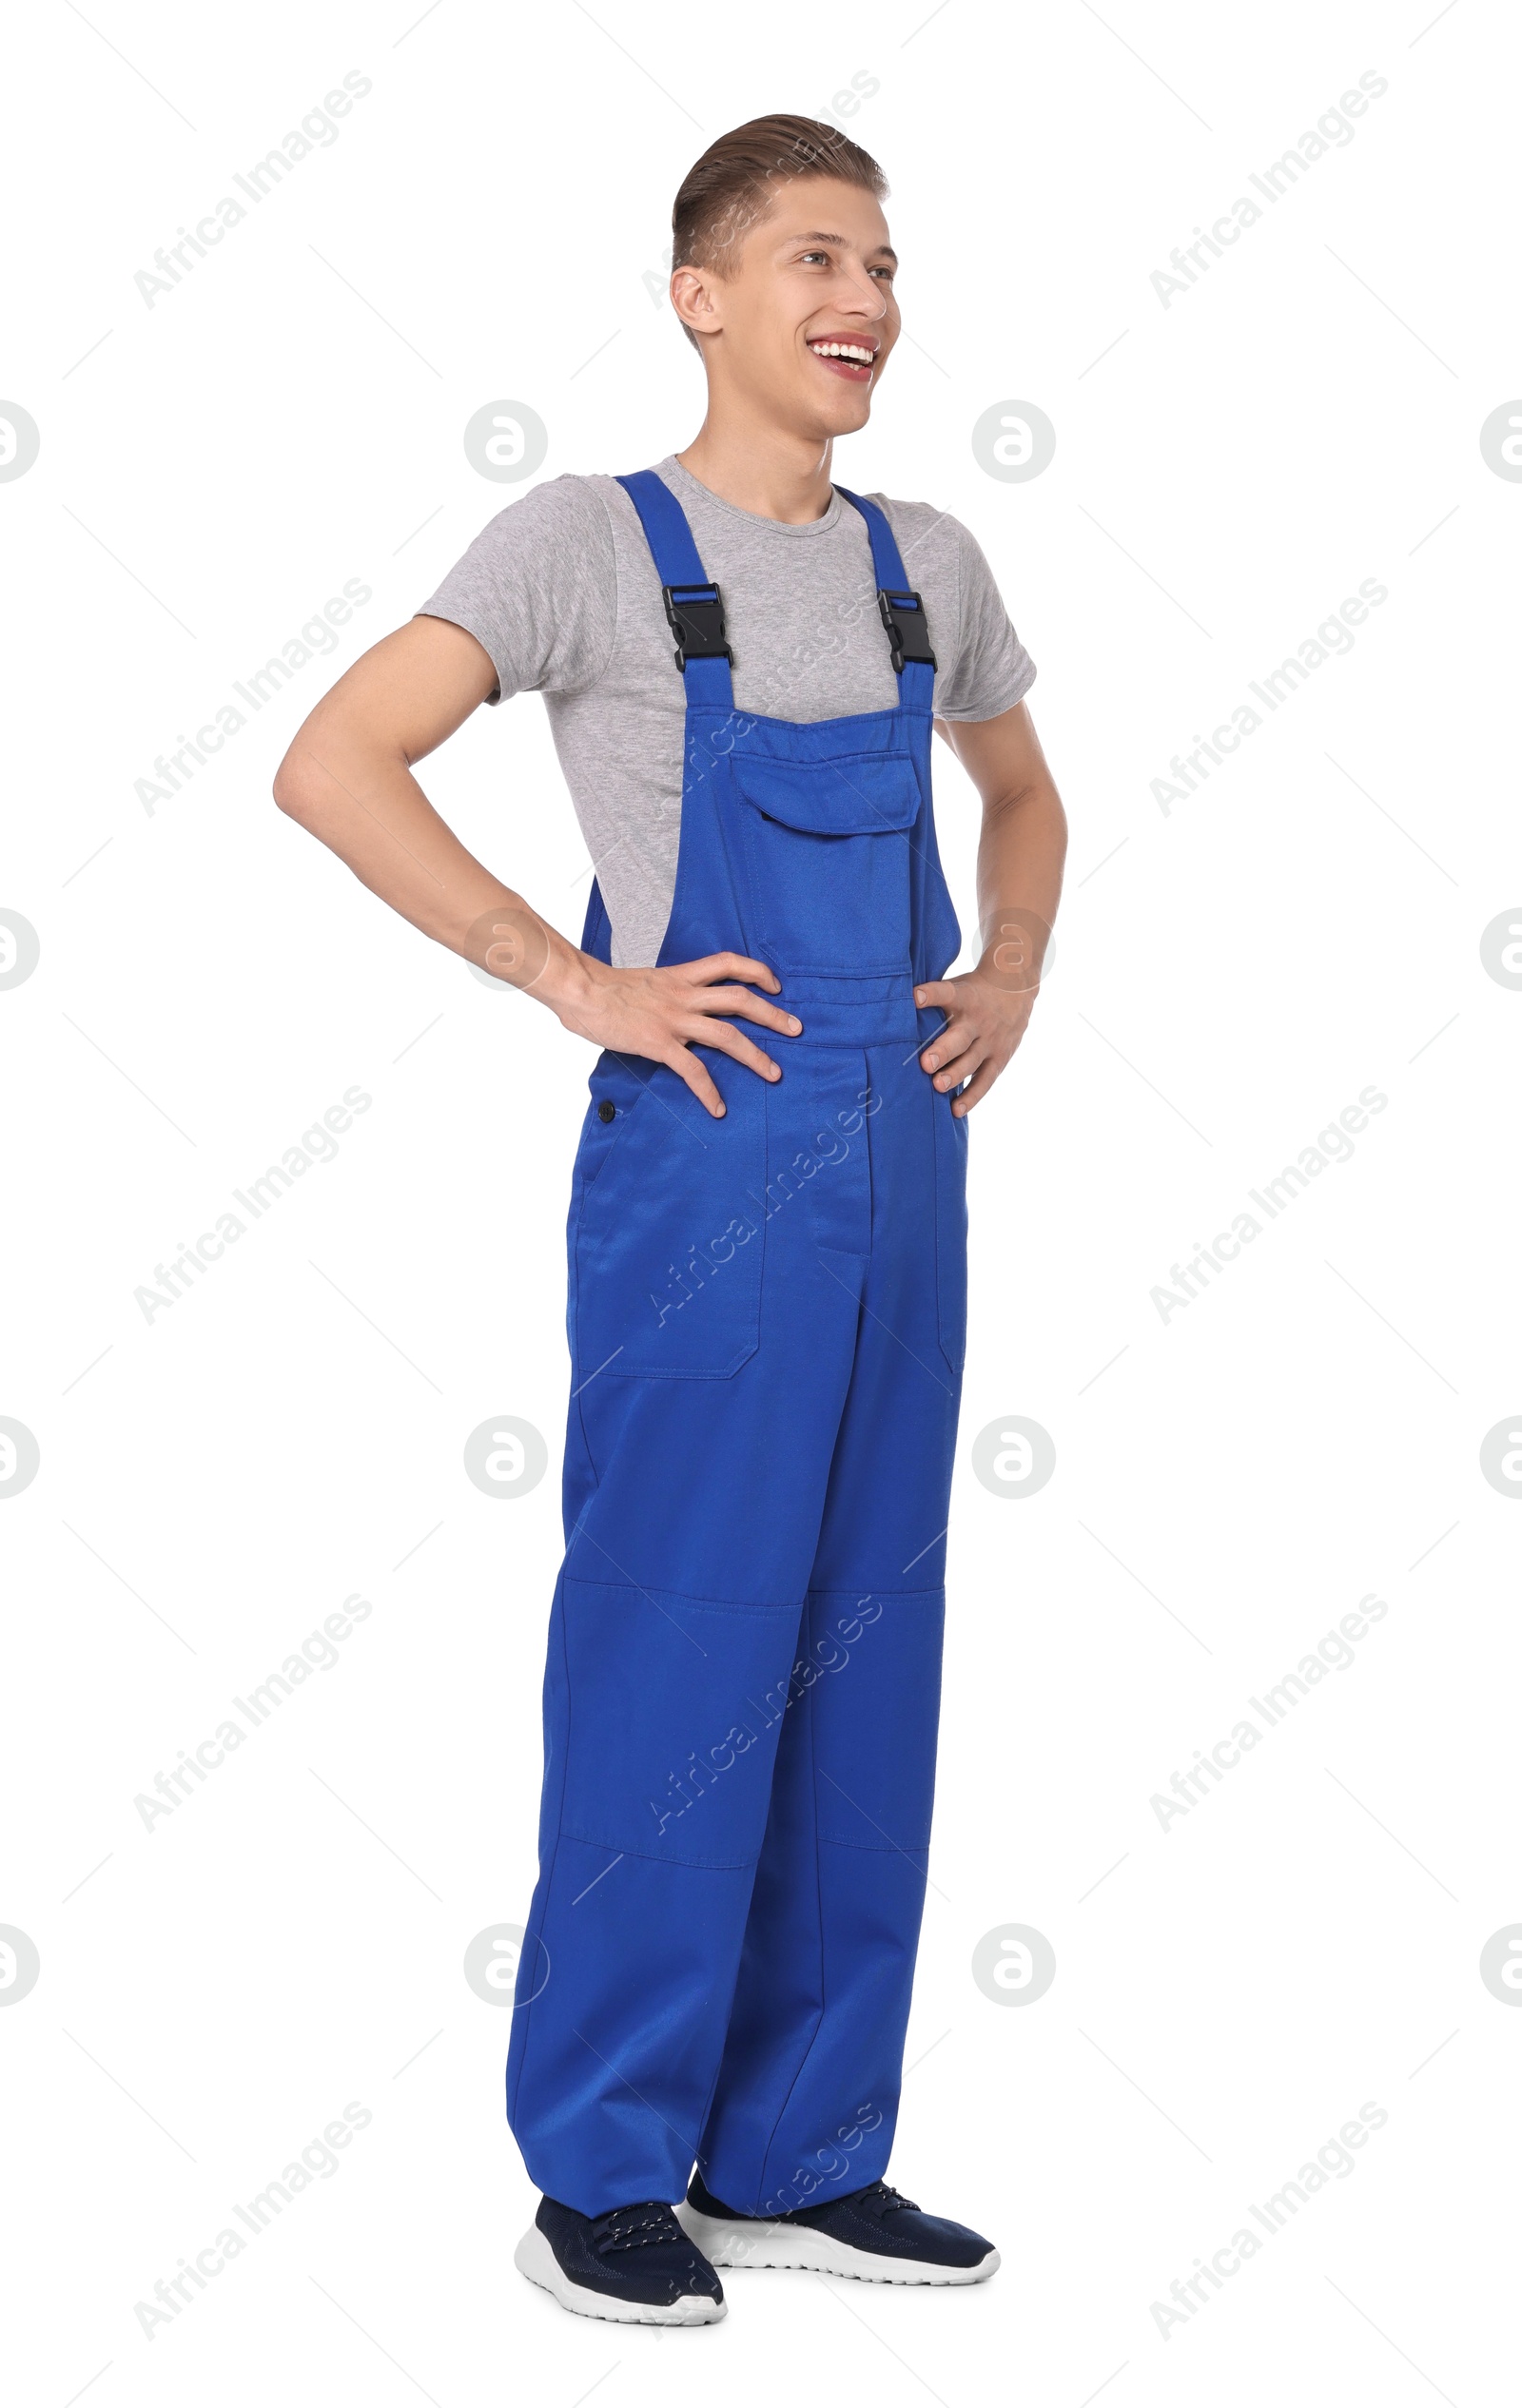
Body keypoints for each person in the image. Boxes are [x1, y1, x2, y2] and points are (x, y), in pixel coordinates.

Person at [274, 113, 1066, 2328]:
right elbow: (333, 759)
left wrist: (1006, 966)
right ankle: (605, 2168)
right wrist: (572, 974)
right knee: (677, 1641)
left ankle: (802, 2156)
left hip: (908, 1159)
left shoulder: (928, 561)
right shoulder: (586, 547)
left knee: (861, 1645)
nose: (868, 303)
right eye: (819, 257)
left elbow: (1023, 790)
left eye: (889, 267)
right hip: (705, 1165)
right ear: (700, 294)